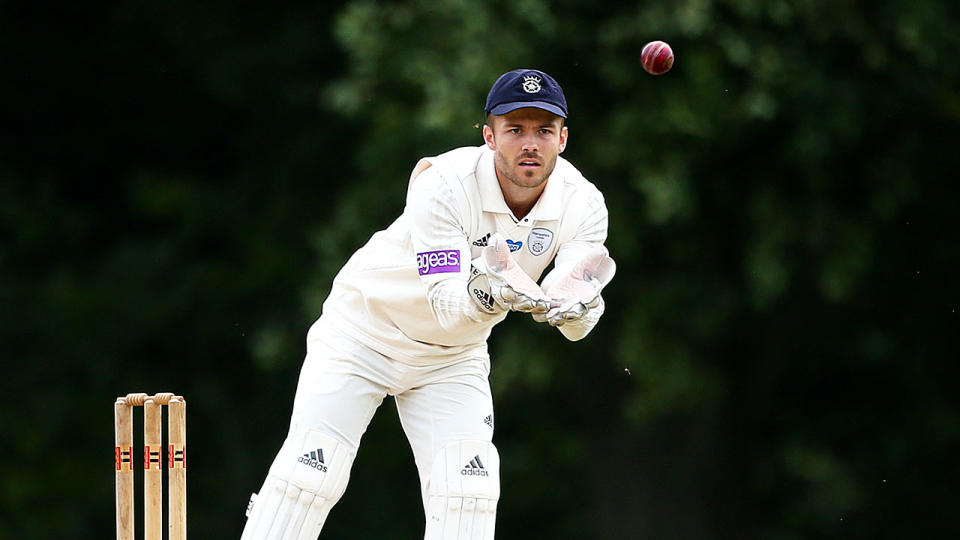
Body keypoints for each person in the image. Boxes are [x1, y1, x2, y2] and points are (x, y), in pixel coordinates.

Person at [240, 68, 616, 540]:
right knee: (308, 478)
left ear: (563, 138)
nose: (529, 144)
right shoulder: (444, 183)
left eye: (543, 130)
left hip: (451, 358)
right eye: (514, 129)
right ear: (488, 136)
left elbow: (573, 310)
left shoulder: (584, 204)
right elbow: (445, 303)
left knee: (468, 493)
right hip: (364, 333)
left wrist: (578, 309)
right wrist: (494, 292)